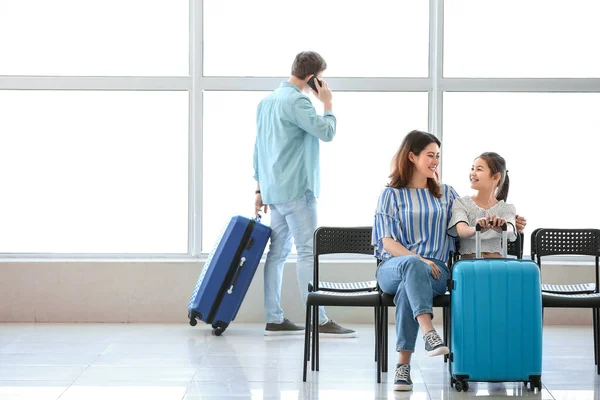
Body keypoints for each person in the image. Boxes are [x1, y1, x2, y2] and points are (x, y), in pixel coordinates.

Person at [372, 131, 526, 391]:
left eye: (438, 156)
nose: (435, 161)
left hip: (436, 271)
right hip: (394, 266)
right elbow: (387, 243)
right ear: (412, 156)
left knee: (406, 290)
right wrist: (419, 259)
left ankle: (403, 366)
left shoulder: (447, 193)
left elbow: (472, 214)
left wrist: (513, 222)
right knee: (411, 267)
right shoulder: (391, 195)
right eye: (430, 155)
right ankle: (429, 332)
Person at [253, 51, 355, 337]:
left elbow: (257, 148)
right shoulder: (297, 101)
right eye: (320, 79)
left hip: (274, 191)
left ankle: (274, 317)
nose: (321, 84)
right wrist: (328, 104)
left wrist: (259, 188)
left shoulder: (267, 101)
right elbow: (326, 132)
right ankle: (318, 319)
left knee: (277, 254)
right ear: (312, 78)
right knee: (308, 253)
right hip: (297, 190)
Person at [447, 152, 517, 258]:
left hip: (496, 266)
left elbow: (511, 231)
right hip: (469, 267)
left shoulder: (507, 208)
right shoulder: (461, 203)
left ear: (495, 177)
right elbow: (462, 231)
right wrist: (478, 228)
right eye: (472, 169)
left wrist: (501, 227)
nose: (473, 173)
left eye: (479, 169)